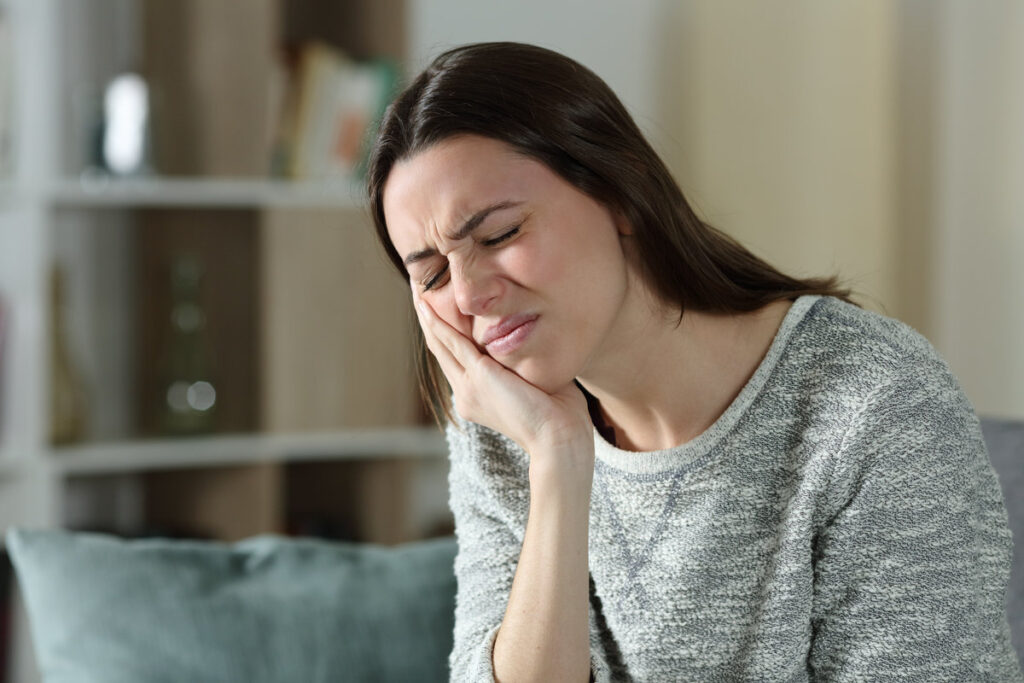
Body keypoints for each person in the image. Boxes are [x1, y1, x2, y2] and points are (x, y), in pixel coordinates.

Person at [366, 41, 1022, 682]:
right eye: (431, 275)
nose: (472, 293)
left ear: (618, 194)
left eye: (499, 234)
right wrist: (558, 458)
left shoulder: (876, 403)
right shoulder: (508, 426)